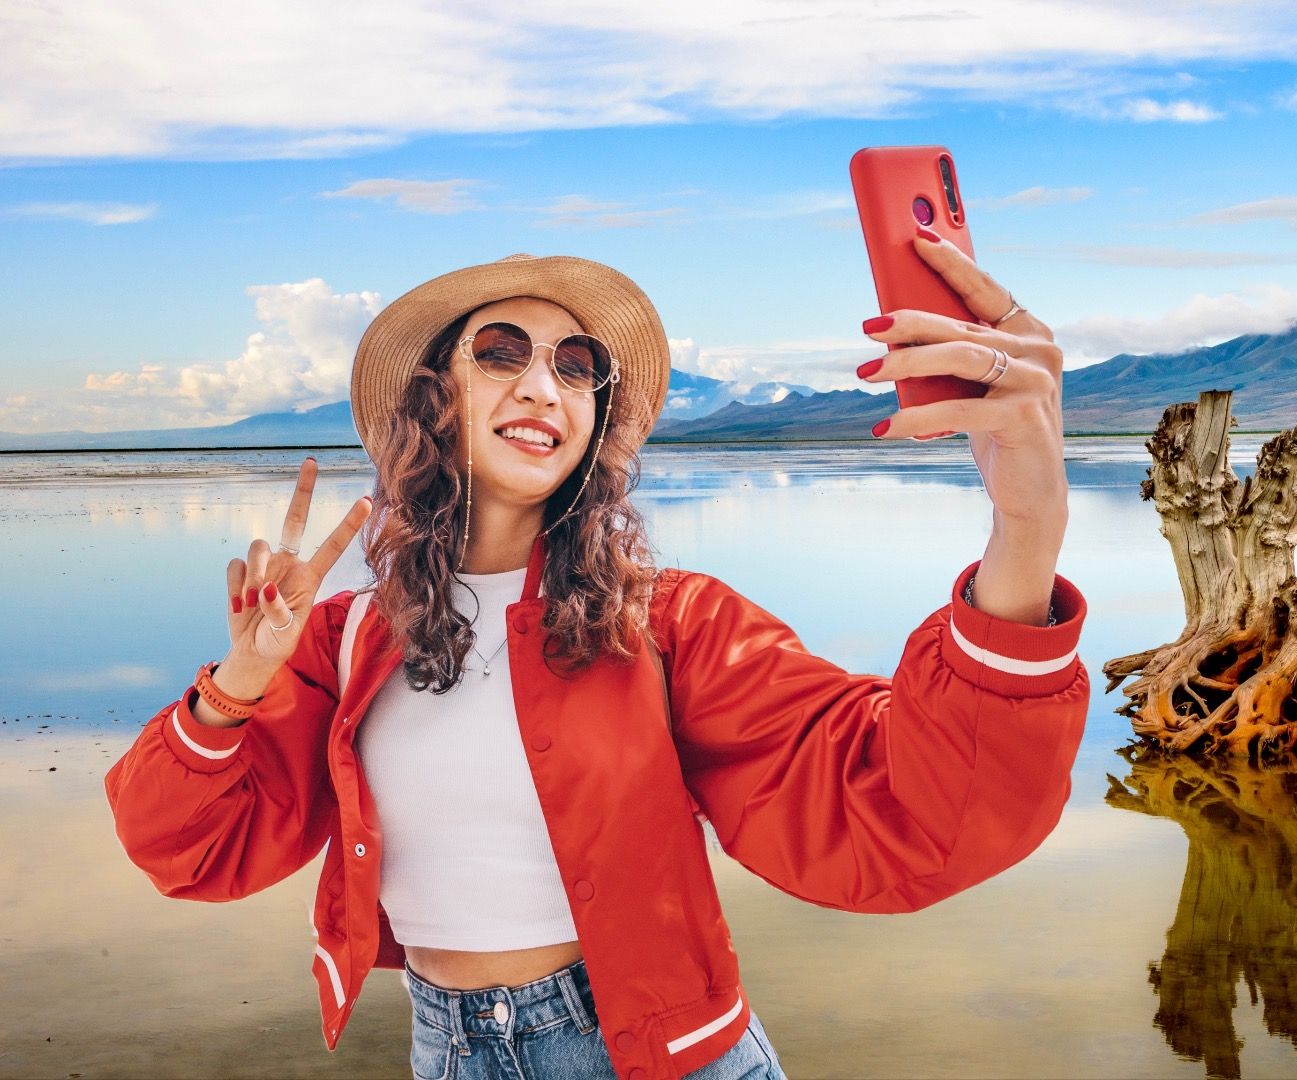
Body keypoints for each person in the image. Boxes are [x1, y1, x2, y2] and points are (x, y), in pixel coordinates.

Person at [103, 242, 1090, 1080]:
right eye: (500, 353)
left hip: (664, 1055)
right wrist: (235, 688)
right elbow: (190, 853)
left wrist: (1026, 528)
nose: (544, 385)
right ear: (434, 394)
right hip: (444, 1052)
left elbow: (911, 814)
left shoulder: (668, 627)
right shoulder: (343, 643)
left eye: (577, 366)